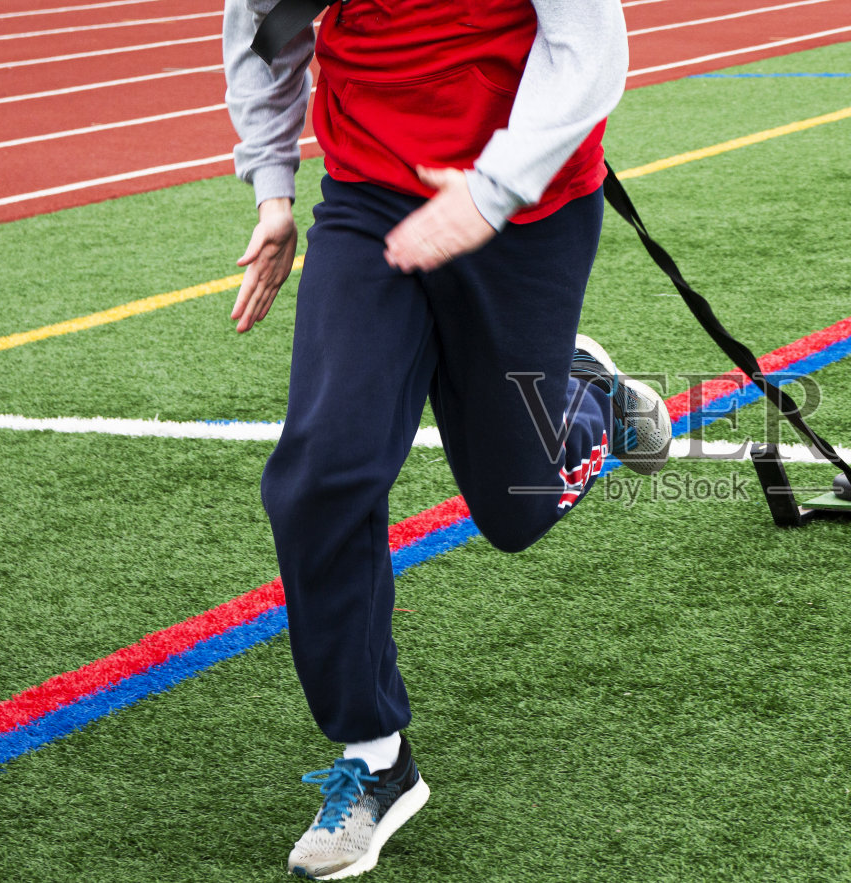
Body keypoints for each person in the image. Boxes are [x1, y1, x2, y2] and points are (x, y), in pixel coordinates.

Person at [221, 0, 669, 876]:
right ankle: (375, 756)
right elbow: (265, 28)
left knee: (516, 508)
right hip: (368, 200)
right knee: (320, 472)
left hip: (526, 203)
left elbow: (590, 47)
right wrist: (274, 189)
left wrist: (493, 190)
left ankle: (590, 400)